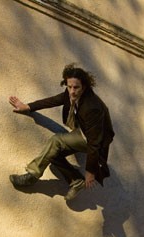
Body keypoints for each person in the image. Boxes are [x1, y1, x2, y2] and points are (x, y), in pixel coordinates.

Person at [8, 63, 115, 201]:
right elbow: (53, 101)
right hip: (83, 132)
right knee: (52, 153)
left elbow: (94, 143)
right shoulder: (70, 94)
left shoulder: (92, 106)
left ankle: (32, 176)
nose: (72, 91)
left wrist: (90, 171)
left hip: (94, 140)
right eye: (69, 87)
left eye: (76, 87)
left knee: (56, 140)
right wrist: (27, 106)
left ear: (84, 86)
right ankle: (76, 180)